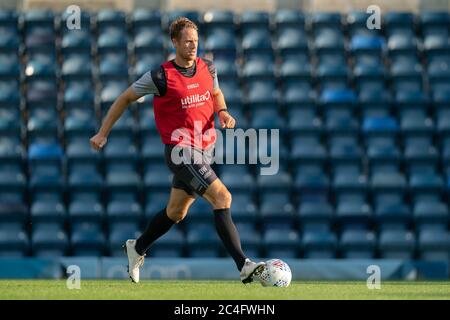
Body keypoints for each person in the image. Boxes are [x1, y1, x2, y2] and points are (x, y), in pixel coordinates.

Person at [90, 17, 265, 284]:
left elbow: (215, 94)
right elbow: (125, 97)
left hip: (205, 150)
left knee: (176, 212)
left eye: (195, 41)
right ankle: (243, 265)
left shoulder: (208, 67)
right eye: (187, 41)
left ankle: (137, 247)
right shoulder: (160, 76)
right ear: (174, 42)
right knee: (223, 197)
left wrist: (224, 113)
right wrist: (103, 132)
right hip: (180, 151)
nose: (193, 46)